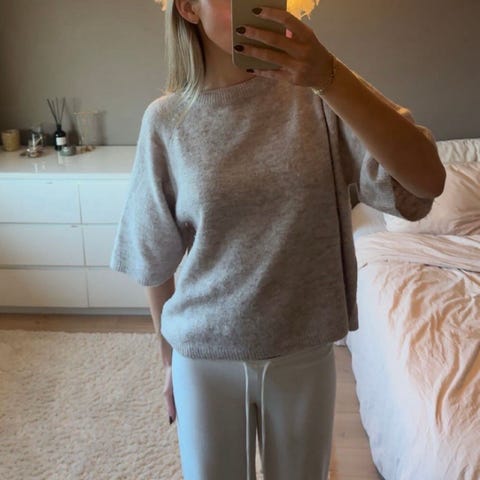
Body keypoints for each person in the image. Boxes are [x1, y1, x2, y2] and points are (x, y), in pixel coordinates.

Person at [110, 1, 446, 479]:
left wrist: (330, 76)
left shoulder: (320, 98)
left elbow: (427, 182)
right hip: (203, 356)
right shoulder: (167, 121)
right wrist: (168, 363)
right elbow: (153, 256)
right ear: (188, 8)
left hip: (302, 349)